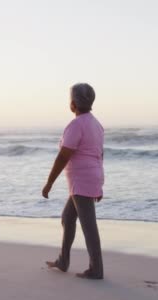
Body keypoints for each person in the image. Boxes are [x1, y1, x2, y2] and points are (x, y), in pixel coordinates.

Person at [42, 83, 104, 280]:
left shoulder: (76, 125)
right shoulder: (96, 124)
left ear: (72, 104)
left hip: (82, 181)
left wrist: (49, 182)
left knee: (88, 226)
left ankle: (96, 269)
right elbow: (98, 154)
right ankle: (63, 261)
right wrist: (99, 184)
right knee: (67, 218)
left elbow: (63, 157)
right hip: (89, 178)